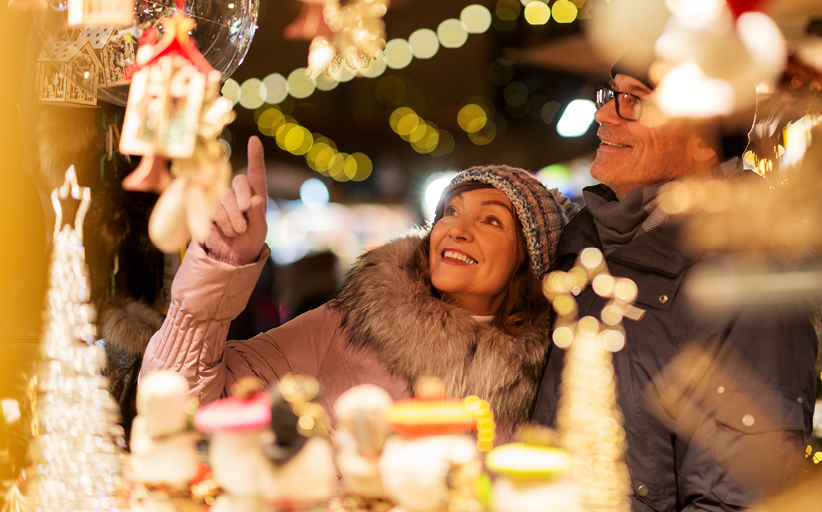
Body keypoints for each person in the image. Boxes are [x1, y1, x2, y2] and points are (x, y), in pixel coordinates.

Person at [140, 136, 573, 438]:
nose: (456, 229)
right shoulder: (348, 328)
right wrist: (220, 266)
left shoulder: (549, 376)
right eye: (450, 211)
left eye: (491, 220)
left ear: (529, 260)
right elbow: (180, 402)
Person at [531, 63, 819, 510]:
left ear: (704, 134)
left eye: (635, 100)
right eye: (610, 94)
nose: (605, 115)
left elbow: (738, 499)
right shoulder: (584, 244)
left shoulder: (750, 276)